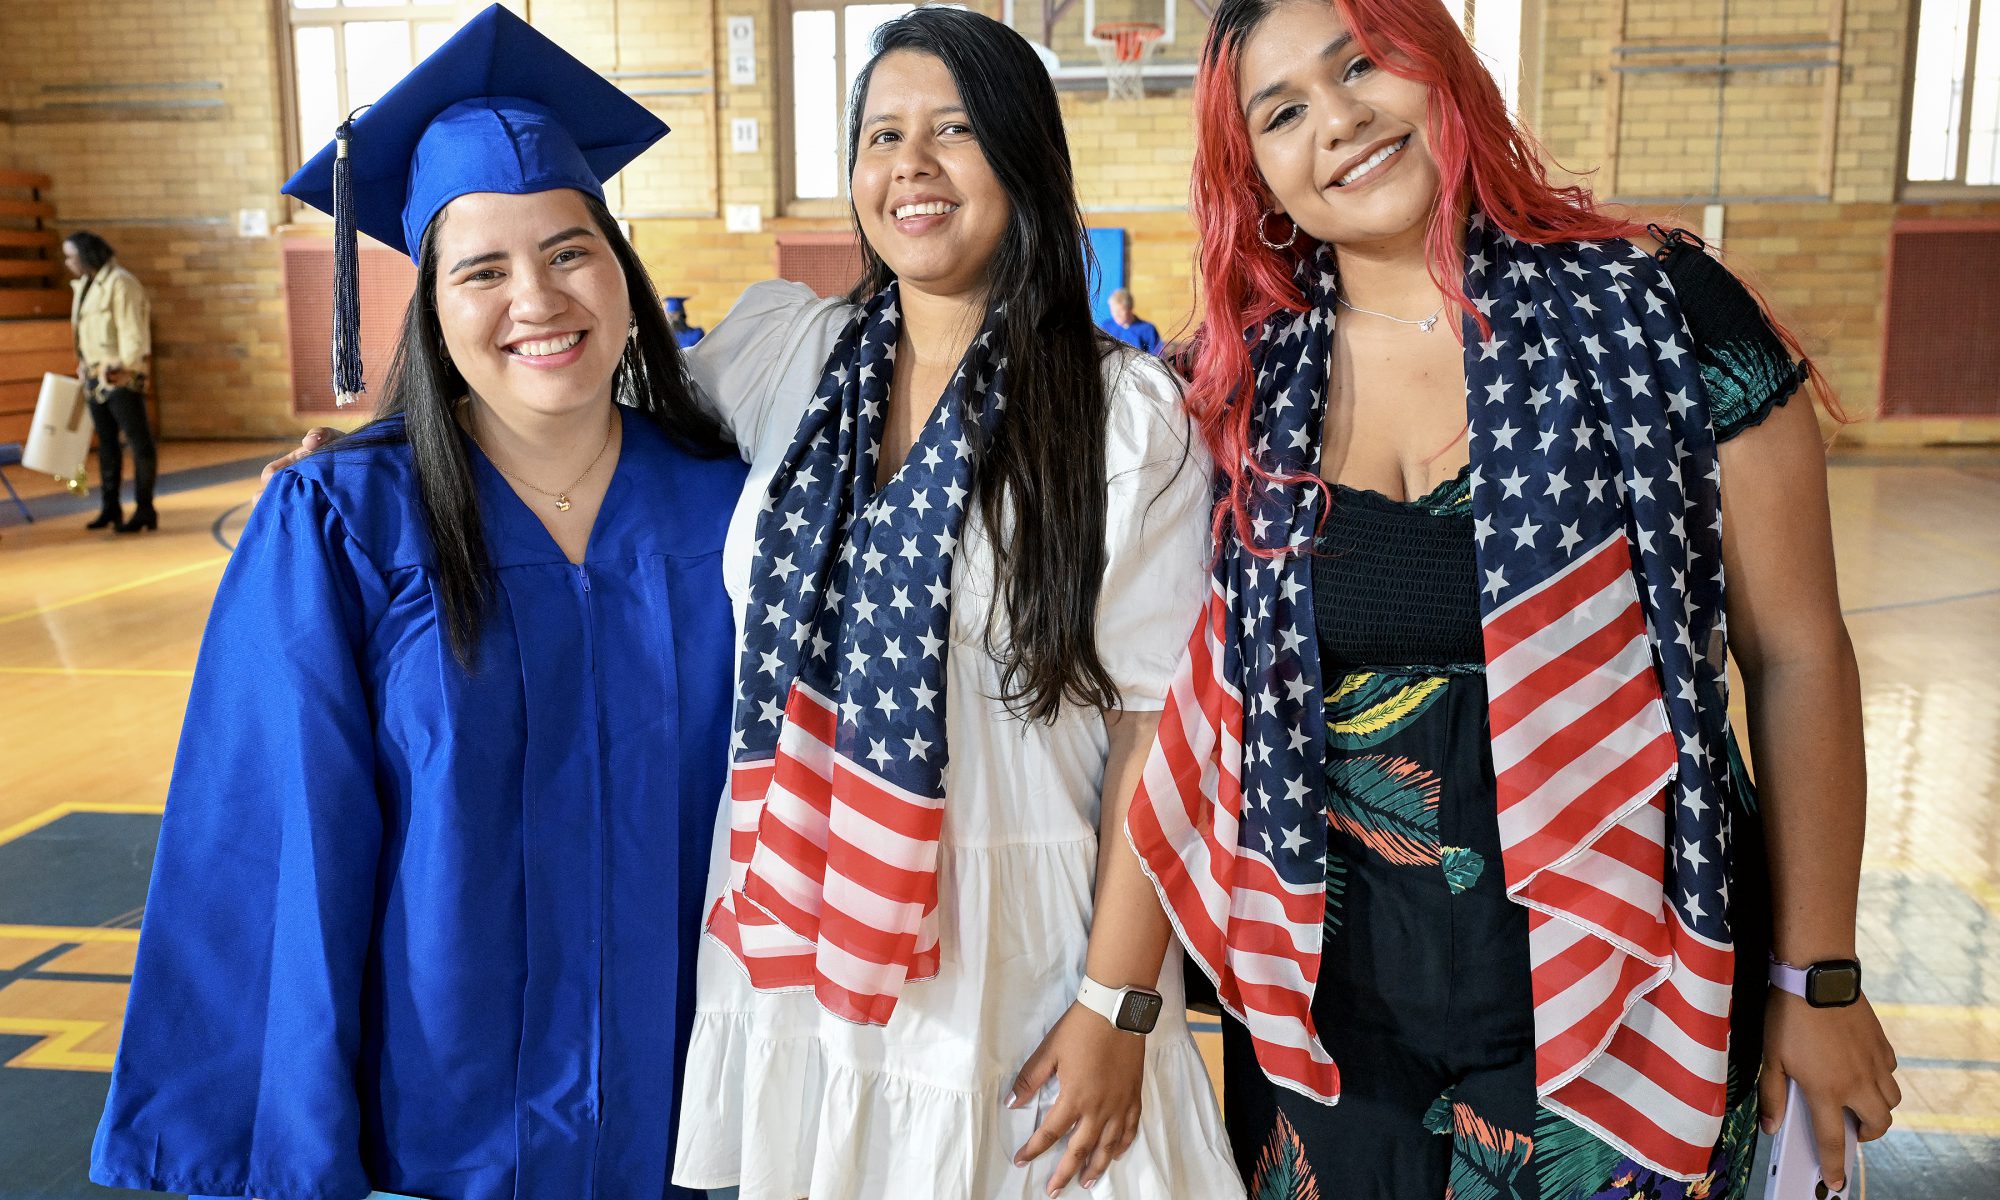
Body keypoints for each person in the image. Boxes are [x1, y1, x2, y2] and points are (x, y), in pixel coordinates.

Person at [1125, 1, 1902, 1198]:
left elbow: (1795, 654)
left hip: (1623, 1003)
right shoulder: (1235, 385)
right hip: (1330, 1041)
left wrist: (1817, 977)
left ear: (1439, 72)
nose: (1336, 121)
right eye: (1281, 113)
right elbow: (1171, 706)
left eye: (1361, 64)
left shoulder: (1662, 314)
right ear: (1260, 178)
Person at [90, 9, 742, 1199]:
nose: (536, 298)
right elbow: (274, 851)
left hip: (692, 1115)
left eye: (568, 251)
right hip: (446, 1131)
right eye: (481, 269)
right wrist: (297, 1157)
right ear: (431, 309)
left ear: (621, 265)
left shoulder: (733, 514)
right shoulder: (341, 527)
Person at [668, 9, 1242, 1199]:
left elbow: (1155, 730)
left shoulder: (1119, 416)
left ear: (1024, 158)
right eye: (882, 134)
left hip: (1018, 958)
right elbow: (582, 411)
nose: (909, 166)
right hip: (806, 923)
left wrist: (1117, 1008)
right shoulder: (787, 355)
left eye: (955, 131)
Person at [65, 230, 157, 533]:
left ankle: (145, 509)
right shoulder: (86, 286)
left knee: (138, 443)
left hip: (119, 377)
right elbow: (85, 333)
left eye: (72, 256)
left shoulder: (120, 282)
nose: (68, 263)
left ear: (87, 255)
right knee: (107, 445)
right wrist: (83, 363)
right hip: (94, 377)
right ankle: (110, 507)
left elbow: (132, 330)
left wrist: (125, 366)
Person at [1096, 287, 1164, 354]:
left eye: (1120, 311)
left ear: (1130, 308)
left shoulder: (1148, 329)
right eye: (1113, 310)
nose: (1116, 315)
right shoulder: (1106, 327)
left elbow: (1158, 356)